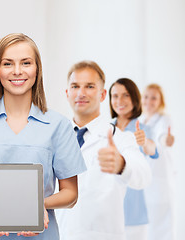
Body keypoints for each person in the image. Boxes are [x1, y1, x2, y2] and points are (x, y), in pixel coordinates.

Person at [0, 33, 86, 240]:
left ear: (37, 69)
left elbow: (71, 194)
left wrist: (36, 208)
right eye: (8, 64)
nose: (17, 71)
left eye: (26, 63)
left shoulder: (59, 126)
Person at [56, 61, 152, 240]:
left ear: (102, 95)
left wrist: (122, 164)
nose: (81, 93)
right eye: (75, 86)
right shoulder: (55, 139)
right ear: (67, 93)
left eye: (90, 86)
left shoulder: (120, 138)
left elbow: (144, 175)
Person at [109, 78, 159, 240]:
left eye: (126, 95)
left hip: (134, 214)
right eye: (115, 96)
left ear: (134, 99)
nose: (119, 101)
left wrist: (144, 142)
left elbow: (153, 150)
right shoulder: (105, 128)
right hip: (108, 210)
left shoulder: (143, 129)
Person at [140, 83, 176, 240]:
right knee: (147, 228)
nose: (149, 101)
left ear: (160, 101)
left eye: (154, 98)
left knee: (162, 227)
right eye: (146, 96)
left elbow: (163, 137)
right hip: (145, 180)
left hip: (160, 181)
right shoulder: (140, 121)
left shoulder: (164, 119)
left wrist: (167, 140)